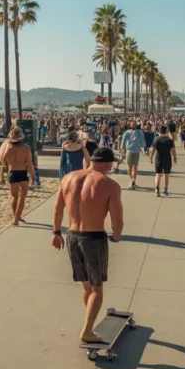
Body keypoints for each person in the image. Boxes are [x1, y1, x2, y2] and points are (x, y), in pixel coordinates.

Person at [50, 147, 123, 344]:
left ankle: (89, 318)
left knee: (86, 285)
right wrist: (116, 236)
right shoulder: (110, 185)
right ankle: (88, 330)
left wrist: (56, 232)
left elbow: (57, 209)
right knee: (97, 288)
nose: (110, 167)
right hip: (94, 238)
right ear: (105, 163)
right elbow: (117, 220)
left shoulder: (68, 178)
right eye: (110, 164)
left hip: (72, 236)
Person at [0, 128, 35, 226]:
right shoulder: (26, 148)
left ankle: (16, 216)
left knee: (14, 197)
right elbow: (30, 164)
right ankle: (16, 218)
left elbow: (3, 163)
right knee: (22, 197)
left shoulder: (8, 148)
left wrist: (1, 176)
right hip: (23, 173)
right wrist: (33, 177)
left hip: (12, 173)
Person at [153, 126, 176, 197]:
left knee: (158, 174)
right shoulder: (170, 140)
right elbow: (173, 150)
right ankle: (165, 190)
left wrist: (151, 157)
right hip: (167, 159)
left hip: (158, 158)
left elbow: (153, 150)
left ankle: (157, 189)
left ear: (160, 131)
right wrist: (175, 157)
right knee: (167, 174)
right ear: (166, 131)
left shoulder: (156, 139)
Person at [120, 122, 144, 190]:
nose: (133, 125)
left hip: (136, 151)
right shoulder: (127, 132)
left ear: (136, 125)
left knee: (135, 167)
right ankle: (131, 180)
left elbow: (142, 140)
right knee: (129, 167)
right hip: (129, 151)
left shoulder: (139, 132)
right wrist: (122, 149)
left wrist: (144, 148)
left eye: (134, 124)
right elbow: (123, 140)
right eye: (132, 124)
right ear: (130, 125)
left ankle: (134, 180)